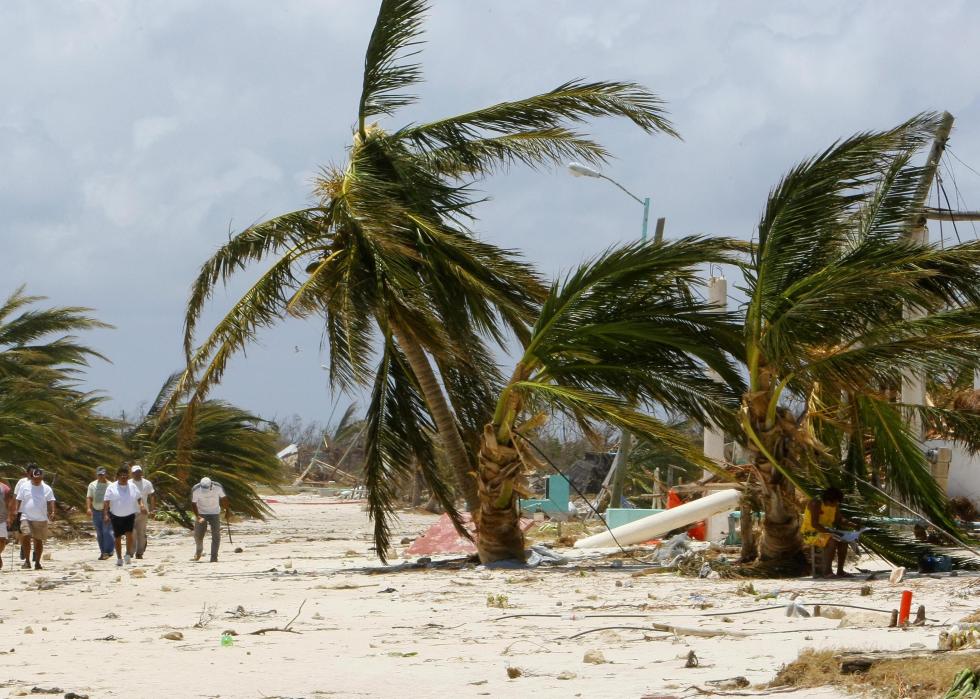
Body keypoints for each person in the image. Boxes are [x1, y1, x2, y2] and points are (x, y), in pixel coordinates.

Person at [801, 487, 850, 578]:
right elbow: (815, 524)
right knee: (831, 540)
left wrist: (853, 525)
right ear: (829, 500)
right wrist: (831, 532)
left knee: (844, 541)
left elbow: (839, 519)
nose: (836, 505)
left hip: (828, 531)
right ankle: (827, 571)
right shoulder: (816, 503)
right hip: (811, 533)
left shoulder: (834, 505)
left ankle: (840, 570)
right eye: (835, 502)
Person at [102, 465, 146, 567]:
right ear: (117, 477)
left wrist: (142, 506)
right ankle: (119, 558)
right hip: (116, 515)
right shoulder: (111, 487)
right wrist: (105, 514)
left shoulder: (132, 486)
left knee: (129, 535)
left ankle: (127, 554)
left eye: (126, 476)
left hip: (129, 514)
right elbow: (106, 502)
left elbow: (139, 498)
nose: (124, 478)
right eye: (122, 476)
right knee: (117, 537)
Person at [16, 466, 56, 570]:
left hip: (40, 518)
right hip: (26, 516)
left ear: (42, 477)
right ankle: (27, 561)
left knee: (38, 541)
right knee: (26, 536)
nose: (37, 480)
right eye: (35, 478)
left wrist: (52, 512)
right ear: (31, 477)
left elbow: (51, 500)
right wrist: (16, 511)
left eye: (39, 478)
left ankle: (37, 562)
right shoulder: (24, 486)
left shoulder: (46, 488)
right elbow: (19, 499)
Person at [191, 477, 228, 562]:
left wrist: (227, 511)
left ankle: (214, 557)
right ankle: (199, 550)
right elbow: (193, 503)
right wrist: (198, 516)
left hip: (214, 513)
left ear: (211, 485)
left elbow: (224, 499)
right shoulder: (196, 489)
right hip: (201, 513)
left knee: (216, 535)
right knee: (198, 535)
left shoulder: (218, 487)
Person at [86, 467, 115, 560]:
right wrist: (88, 508)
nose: (101, 476)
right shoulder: (92, 485)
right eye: (99, 474)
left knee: (107, 531)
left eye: (102, 474)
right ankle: (103, 552)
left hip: (108, 511)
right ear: (97, 475)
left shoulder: (111, 485)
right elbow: (89, 497)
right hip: (96, 511)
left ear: (105, 474)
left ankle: (108, 551)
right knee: (99, 533)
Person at [130, 464, 155, 559]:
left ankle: (139, 552)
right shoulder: (128, 483)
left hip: (143, 512)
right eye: (135, 472)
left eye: (139, 472)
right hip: (130, 511)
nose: (137, 474)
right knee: (131, 531)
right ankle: (131, 551)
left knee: (141, 532)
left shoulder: (147, 483)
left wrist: (153, 509)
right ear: (132, 474)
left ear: (141, 472)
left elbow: (152, 496)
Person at [0, 479, 13, 569]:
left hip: (1, 518)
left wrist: (9, 517)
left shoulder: (5, 488)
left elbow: (9, 504)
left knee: (2, 540)